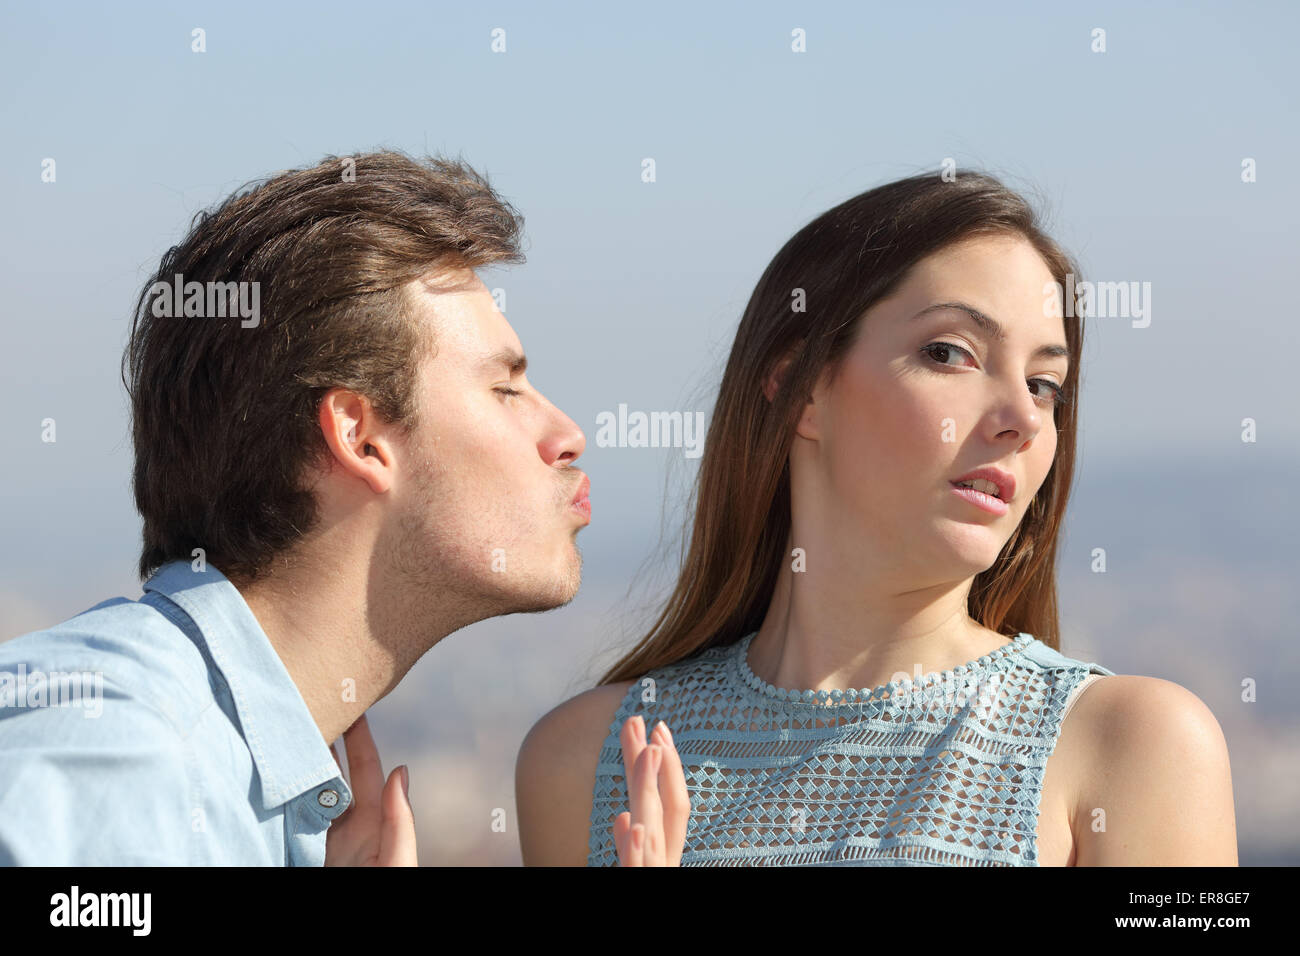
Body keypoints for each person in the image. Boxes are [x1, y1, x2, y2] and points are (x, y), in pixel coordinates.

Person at [515, 169, 1238, 866]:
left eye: (1045, 384)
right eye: (950, 352)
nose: (1023, 416)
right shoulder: (583, 761)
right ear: (800, 388)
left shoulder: (1134, 746)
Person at [0, 149, 593, 865]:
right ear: (361, 436)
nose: (567, 435)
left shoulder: (218, 779)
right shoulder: (122, 762)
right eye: (505, 390)